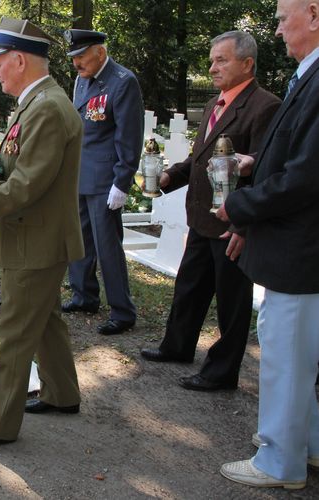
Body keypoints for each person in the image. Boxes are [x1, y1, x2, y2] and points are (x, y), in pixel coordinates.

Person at [0, 17, 84, 447]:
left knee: (13, 332)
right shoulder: (38, 101)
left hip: (35, 240)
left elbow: (27, 183)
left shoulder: (46, 107)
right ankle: (62, 394)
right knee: (44, 320)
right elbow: (15, 167)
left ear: (20, 60)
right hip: (38, 236)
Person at [139, 31, 281, 392]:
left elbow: (265, 171)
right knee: (189, 286)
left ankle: (221, 371)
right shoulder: (218, 102)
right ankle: (177, 346)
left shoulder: (265, 107)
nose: (212, 67)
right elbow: (200, 157)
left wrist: (244, 224)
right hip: (201, 217)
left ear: (247, 64)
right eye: (211, 59)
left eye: (222, 60)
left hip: (232, 222)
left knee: (232, 301)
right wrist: (169, 176)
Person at [217, 0, 319, 489]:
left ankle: (280, 462)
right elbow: (298, 152)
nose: (276, 29)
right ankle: (312, 445)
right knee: (298, 355)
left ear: (315, 15)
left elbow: (305, 177)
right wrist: (257, 163)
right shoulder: (307, 74)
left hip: (300, 249)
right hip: (296, 246)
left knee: (286, 357)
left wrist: (241, 207)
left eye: (283, 18)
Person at [61, 29, 143, 335]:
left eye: (81, 56)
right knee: (78, 240)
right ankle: (84, 295)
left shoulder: (123, 82)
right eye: (73, 58)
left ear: (99, 51)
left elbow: (129, 137)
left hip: (106, 181)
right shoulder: (82, 80)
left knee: (108, 246)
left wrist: (122, 182)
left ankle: (122, 311)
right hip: (80, 175)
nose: (77, 64)